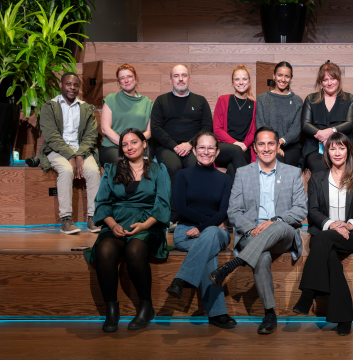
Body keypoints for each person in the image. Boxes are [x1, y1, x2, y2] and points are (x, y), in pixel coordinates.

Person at [208, 126, 307, 335]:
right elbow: (234, 211)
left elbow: (300, 210)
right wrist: (253, 229)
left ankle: (231, 266)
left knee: (278, 224)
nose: (266, 148)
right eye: (261, 144)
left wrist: (275, 221)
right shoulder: (243, 174)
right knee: (261, 257)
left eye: (271, 143)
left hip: (283, 233)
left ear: (278, 145)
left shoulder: (292, 172)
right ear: (254, 148)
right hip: (250, 232)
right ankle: (270, 313)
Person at [85, 128, 171, 332]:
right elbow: (102, 203)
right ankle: (111, 310)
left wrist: (144, 225)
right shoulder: (112, 170)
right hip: (116, 222)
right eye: (124, 144)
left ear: (143, 144)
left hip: (148, 223)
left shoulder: (159, 170)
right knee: (104, 250)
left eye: (133, 142)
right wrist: (113, 225)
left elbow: (163, 204)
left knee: (134, 250)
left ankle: (145, 306)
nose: (129, 147)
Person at [292, 132, 353, 336]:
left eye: (342, 147)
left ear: (349, 151)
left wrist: (348, 225)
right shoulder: (317, 178)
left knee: (323, 239)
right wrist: (331, 224)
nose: (337, 152)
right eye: (332, 148)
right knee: (329, 255)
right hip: (325, 232)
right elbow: (313, 210)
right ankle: (343, 316)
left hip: (349, 237)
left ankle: (308, 294)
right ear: (327, 152)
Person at [164, 132, 236, 329]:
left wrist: (203, 228)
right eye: (201, 148)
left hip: (216, 232)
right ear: (194, 151)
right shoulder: (183, 175)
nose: (206, 152)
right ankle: (217, 314)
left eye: (210, 148)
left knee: (211, 234)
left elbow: (223, 212)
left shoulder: (224, 179)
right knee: (209, 253)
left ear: (217, 151)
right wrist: (205, 225)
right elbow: (181, 208)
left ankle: (181, 279)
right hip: (185, 231)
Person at [36, 72, 101, 234]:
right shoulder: (49, 106)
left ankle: (93, 218)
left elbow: (91, 135)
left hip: (82, 150)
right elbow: (51, 136)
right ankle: (66, 219)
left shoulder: (85, 108)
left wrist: (79, 155)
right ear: (61, 85)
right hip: (56, 150)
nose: (72, 88)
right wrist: (71, 156)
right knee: (66, 170)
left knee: (93, 171)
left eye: (76, 85)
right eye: (68, 84)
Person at [151, 64, 213, 226]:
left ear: (189, 79)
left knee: (195, 166)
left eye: (184, 75)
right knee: (174, 168)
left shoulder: (200, 101)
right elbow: (156, 129)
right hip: (167, 147)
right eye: (176, 76)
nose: (180, 79)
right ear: (171, 79)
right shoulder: (161, 100)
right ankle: (174, 215)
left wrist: (190, 144)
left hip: (194, 147)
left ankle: (194, 213)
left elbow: (207, 127)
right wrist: (174, 145)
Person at [302, 61, 353, 174]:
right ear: (321, 82)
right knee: (322, 169)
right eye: (325, 80)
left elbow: (350, 124)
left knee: (346, 170)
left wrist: (330, 132)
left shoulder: (350, 99)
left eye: (333, 79)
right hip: (316, 149)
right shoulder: (311, 99)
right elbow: (305, 124)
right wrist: (322, 136)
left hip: (343, 148)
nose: (329, 83)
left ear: (338, 79)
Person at [99, 63, 153, 165]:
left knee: (145, 164)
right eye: (122, 78)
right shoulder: (111, 99)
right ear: (119, 82)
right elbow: (105, 128)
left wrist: (134, 144)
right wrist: (125, 144)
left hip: (139, 147)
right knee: (123, 163)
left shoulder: (147, 102)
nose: (126, 80)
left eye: (129, 76)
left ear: (136, 78)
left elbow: (149, 131)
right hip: (113, 146)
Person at [213, 65, 257, 183]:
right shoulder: (223, 100)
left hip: (244, 150)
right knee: (235, 151)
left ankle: (229, 201)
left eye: (244, 79)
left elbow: (253, 132)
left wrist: (243, 145)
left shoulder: (254, 105)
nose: (241, 82)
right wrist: (236, 144)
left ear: (249, 82)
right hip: (223, 148)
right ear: (232, 83)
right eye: (237, 79)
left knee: (233, 169)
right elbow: (217, 129)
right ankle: (251, 189)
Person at [255, 61, 303, 167]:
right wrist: (273, 144)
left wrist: (280, 142)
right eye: (279, 75)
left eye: (287, 76)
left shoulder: (297, 101)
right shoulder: (262, 98)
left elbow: (296, 129)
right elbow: (261, 125)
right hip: (268, 145)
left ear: (291, 78)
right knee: (277, 160)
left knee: (287, 167)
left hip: (292, 147)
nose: (283, 79)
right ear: (274, 76)